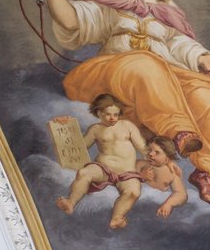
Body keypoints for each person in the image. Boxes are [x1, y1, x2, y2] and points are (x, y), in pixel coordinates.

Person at [26, 0, 210, 206]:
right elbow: (71, 19)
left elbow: (180, 44)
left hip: (163, 75)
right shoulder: (115, 2)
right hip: (113, 71)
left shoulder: (168, 10)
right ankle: (179, 132)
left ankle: (206, 171)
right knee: (146, 64)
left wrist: (204, 58)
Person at [56, 94, 146, 229]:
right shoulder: (95, 129)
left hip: (127, 173)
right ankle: (70, 202)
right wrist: (64, 127)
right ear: (99, 113)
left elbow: (142, 147)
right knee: (84, 173)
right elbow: (80, 148)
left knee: (133, 192)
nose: (112, 118)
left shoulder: (127, 125)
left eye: (116, 114)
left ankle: (116, 218)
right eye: (108, 114)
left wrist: (162, 161)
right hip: (103, 169)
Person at [135, 136, 188, 219]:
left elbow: (181, 194)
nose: (150, 154)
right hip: (138, 201)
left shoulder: (171, 173)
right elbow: (125, 179)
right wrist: (140, 176)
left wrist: (169, 203)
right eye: (149, 150)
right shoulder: (141, 164)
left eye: (157, 152)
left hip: (156, 203)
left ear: (167, 159)